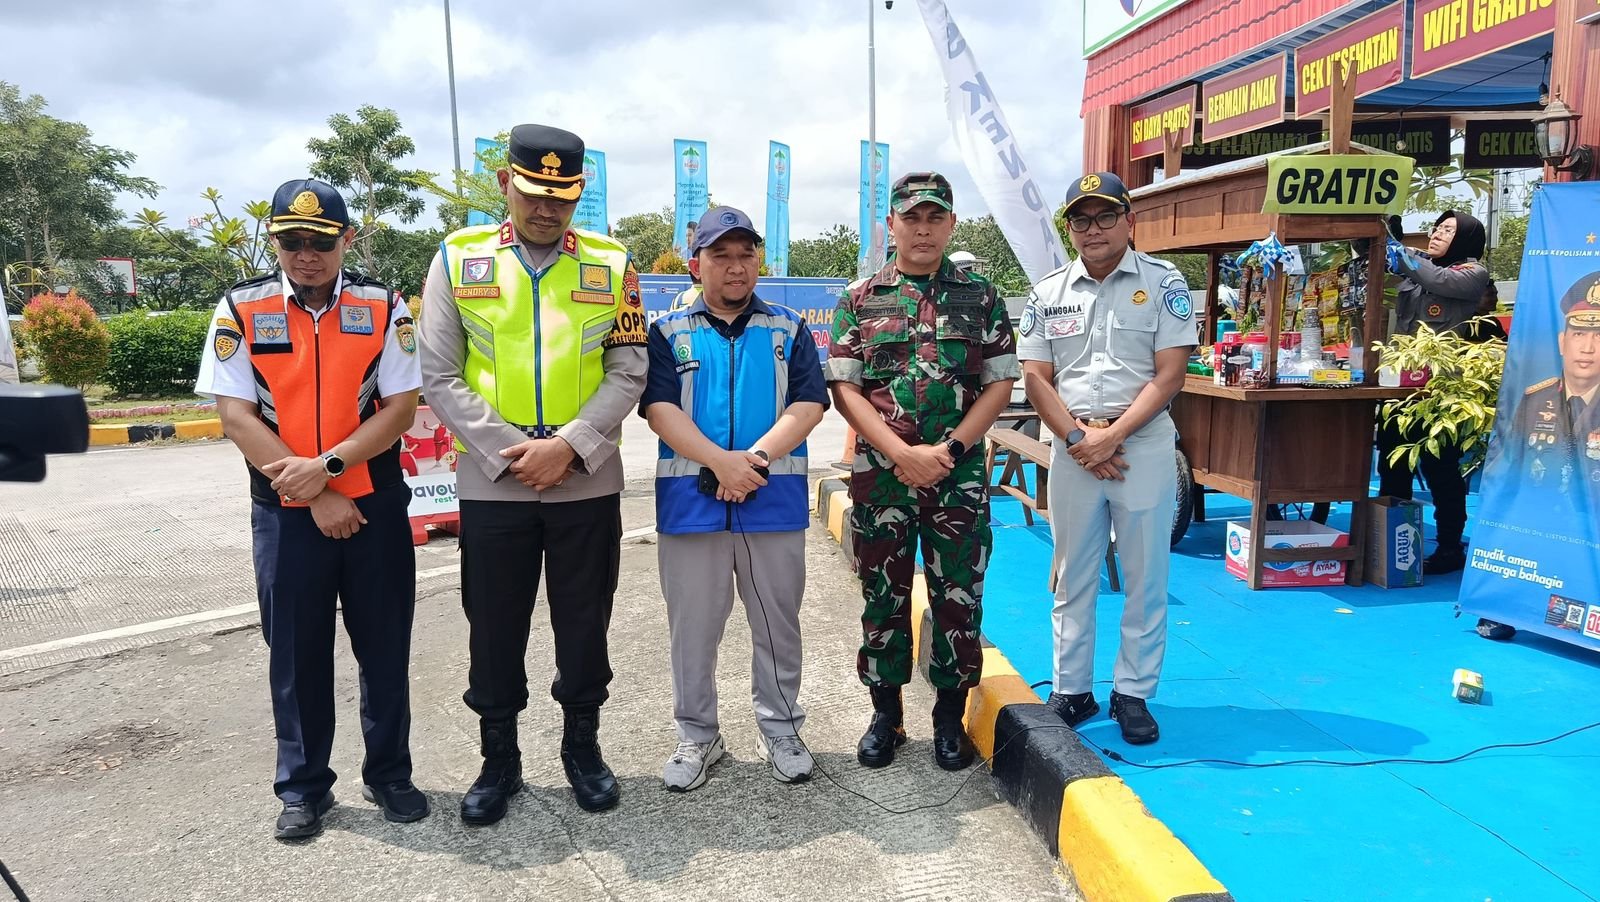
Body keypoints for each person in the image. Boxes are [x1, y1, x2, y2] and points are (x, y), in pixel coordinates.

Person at [417, 124, 648, 822]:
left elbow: (629, 368)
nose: (546, 209)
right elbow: (439, 373)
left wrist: (571, 446)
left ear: (577, 194)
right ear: (504, 186)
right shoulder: (458, 259)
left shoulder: (613, 263)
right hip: (495, 484)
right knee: (493, 626)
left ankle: (583, 749)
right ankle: (499, 761)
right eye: (533, 193)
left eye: (562, 197)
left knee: (585, 624)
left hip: (585, 481)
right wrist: (511, 451)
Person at [194, 178, 425, 839]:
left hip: (373, 508)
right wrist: (317, 495)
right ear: (276, 243)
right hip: (287, 515)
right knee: (296, 656)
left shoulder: (384, 307)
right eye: (292, 242)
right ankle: (303, 789)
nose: (306, 256)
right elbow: (237, 416)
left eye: (320, 242)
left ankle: (389, 775)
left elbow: (401, 410)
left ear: (345, 240)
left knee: (384, 648)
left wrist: (331, 472)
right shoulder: (241, 309)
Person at [826, 172, 1019, 771]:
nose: (924, 228)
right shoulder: (859, 298)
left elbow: (999, 382)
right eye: (912, 218)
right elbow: (845, 388)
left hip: (955, 477)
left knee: (958, 597)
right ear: (893, 224)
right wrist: (900, 454)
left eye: (936, 218)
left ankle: (948, 718)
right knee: (883, 596)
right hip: (882, 477)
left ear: (952, 224)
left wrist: (950, 452)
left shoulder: (981, 297)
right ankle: (886, 715)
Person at [641, 206, 828, 791]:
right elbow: (659, 409)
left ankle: (782, 728)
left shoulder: (788, 329)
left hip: (771, 500)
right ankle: (698, 736)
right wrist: (719, 462)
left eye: (746, 254)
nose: (735, 266)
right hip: (690, 506)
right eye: (721, 255)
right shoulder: (668, 332)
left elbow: (808, 403)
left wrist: (755, 461)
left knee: (777, 623)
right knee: (692, 628)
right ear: (696, 263)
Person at [1018, 172, 1197, 746]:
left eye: (1104, 217)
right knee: (1072, 575)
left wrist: (1111, 435)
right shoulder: (1048, 292)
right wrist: (1079, 440)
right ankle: (1072, 689)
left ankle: (1133, 692)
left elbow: (1170, 374)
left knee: (1146, 576)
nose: (1092, 230)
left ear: (1128, 220)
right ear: (1069, 228)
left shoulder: (1165, 283)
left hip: (1140, 447)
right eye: (1080, 219)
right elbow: (1036, 377)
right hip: (1072, 448)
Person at [1480, 272, 1600, 640]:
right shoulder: (1535, 400)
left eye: (1599, 336)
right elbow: (1509, 468)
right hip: (1539, 529)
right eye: (1579, 334)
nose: (1588, 347)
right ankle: (1501, 607)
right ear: (1563, 342)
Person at [1378, 211, 1492, 575]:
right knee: (1392, 465)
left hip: (1443, 392)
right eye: (1437, 228)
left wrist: (1400, 250)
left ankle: (1448, 547)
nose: (1437, 234)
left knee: (1440, 471)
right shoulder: (1418, 262)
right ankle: (1393, 543)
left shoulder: (1473, 273)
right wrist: (1379, 231)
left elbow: (1434, 276)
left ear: (1465, 239)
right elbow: (1382, 257)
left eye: (1448, 230)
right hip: (1402, 389)